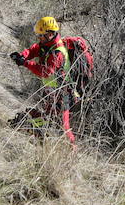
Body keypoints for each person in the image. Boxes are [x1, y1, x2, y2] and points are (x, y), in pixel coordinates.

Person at [10, 16, 77, 145]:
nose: (39, 37)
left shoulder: (57, 52)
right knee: (46, 118)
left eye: (41, 35)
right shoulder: (45, 44)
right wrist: (22, 55)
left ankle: (72, 152)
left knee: (64, 127)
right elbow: (34, 49)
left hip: (62, 93)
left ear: (50, 34)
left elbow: (45, 72)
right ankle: (42, 144)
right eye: (38, 35)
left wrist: (25, 63)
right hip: (49, 92)